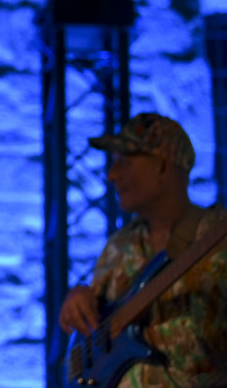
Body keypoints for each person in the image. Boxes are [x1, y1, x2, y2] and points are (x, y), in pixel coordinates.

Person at [58, 112, 227, 387]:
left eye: (125, 161)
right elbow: (97, 330)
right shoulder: (119, 245)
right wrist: (79, 298)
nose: (112, 176)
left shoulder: (216, 238)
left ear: (162, 166)